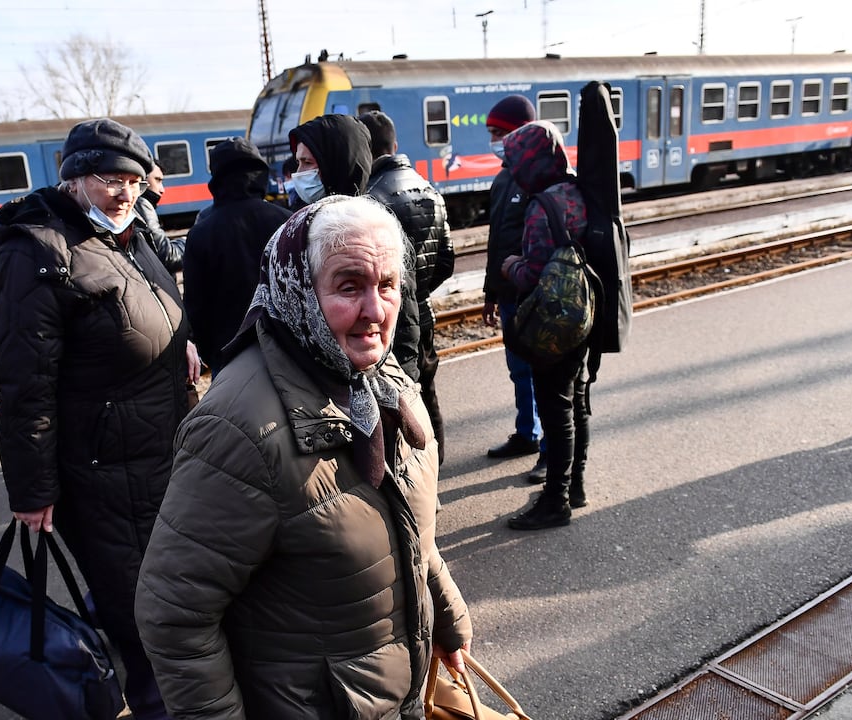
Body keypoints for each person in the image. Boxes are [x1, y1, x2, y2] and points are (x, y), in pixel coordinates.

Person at [136, 195, 472, 719]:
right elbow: (175, 615)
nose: (377, 311)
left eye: (386, 285)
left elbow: (411, 534)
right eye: (348, 286)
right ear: (297, 289)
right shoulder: (238, 429)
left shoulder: (379, 384)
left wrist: (447, 622)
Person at [0, 117, 199, 720]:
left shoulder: (125, 239)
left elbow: (155, 306)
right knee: (140, 607)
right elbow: (25, 383)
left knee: (173, 593)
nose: (126, 192)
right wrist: (32, 490)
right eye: (110, 179)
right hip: (105, 469)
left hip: (160, 450)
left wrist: (179, 340)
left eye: (136, 179)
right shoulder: (38, 253)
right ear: (74, 178)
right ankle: (159, 705)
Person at [499, 121, 592, 530]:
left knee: (556, 411)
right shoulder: (576, 192)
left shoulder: (542, 207)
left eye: (516, 160)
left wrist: (510, 266)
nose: (513, 168)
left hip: (552, 325)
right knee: (576, 403)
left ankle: (555, 502)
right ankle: (575, 486)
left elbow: (533, 275)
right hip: (583, 316)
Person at [289, 113, 422, 382]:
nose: (299, 174)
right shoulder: (296, 231)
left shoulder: (377, 231)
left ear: (333, 164)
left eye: (307, 163)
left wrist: (403, 388)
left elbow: (405, 327)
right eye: (298, 163)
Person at [359, 109, 455, 464]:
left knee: (393, 402)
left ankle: (408, 480)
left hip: (388, 320)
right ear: (395, 144)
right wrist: (422, 292)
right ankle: (434, 471)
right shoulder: (430, 188)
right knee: (427, 394)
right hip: (424, 313)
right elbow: (447, 261)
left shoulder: (370, 198)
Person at [181, 137, 291, 376]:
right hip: (287, 348)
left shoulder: (201, 232)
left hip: (229, 355)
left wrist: (210, 353)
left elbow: (196, 307)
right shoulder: (286, 221)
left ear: (216, 176)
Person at [481, 95, 546, 477]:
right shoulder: (504, 177)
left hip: (532, 295)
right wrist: (491, 292)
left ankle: (548, 451)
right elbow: (497, 240)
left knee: (542, 374)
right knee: (519, 369)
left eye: (498, 133)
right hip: (508, 293)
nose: (493, 141)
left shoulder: (534, 178)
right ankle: (528, 433)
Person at [135, 157, 184, 272]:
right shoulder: (142, 203)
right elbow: (168, 257)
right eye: (157, 180)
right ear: (142, 180)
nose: (162, 190)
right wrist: (186, 242)